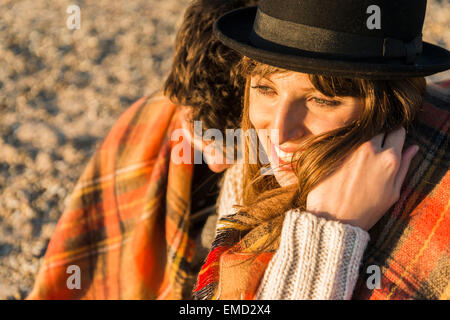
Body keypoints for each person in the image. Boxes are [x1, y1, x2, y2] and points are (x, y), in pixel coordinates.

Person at [192, 0, 450, 300]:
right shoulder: (242, 173)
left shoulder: (433, 227)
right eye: (266, 89)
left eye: (322, 100)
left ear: (390, 109)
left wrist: (326, 234)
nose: (280, 131)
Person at [28, 0, 257, 299]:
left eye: (232, 147)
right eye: (205, 140)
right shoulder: (144, 125)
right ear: (180, 99)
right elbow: (92, 243)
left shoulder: (289, 141)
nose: (215, 162)